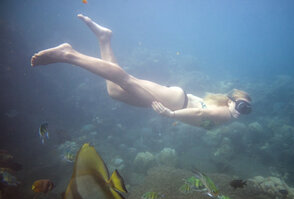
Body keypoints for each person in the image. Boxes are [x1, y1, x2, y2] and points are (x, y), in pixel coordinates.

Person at [31, 14, 252, 129]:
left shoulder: (222, 107)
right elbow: (200, 114)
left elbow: (199, 106)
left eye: (246, 110)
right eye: (241, 105)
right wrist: (171, 114)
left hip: (175, 98)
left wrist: (173, 102)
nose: (240, 111)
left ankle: (104, 38)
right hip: (173, 103)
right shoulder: (225, 114)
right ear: (232, 100)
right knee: (124, 80)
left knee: (115, 91)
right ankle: (69, 54)